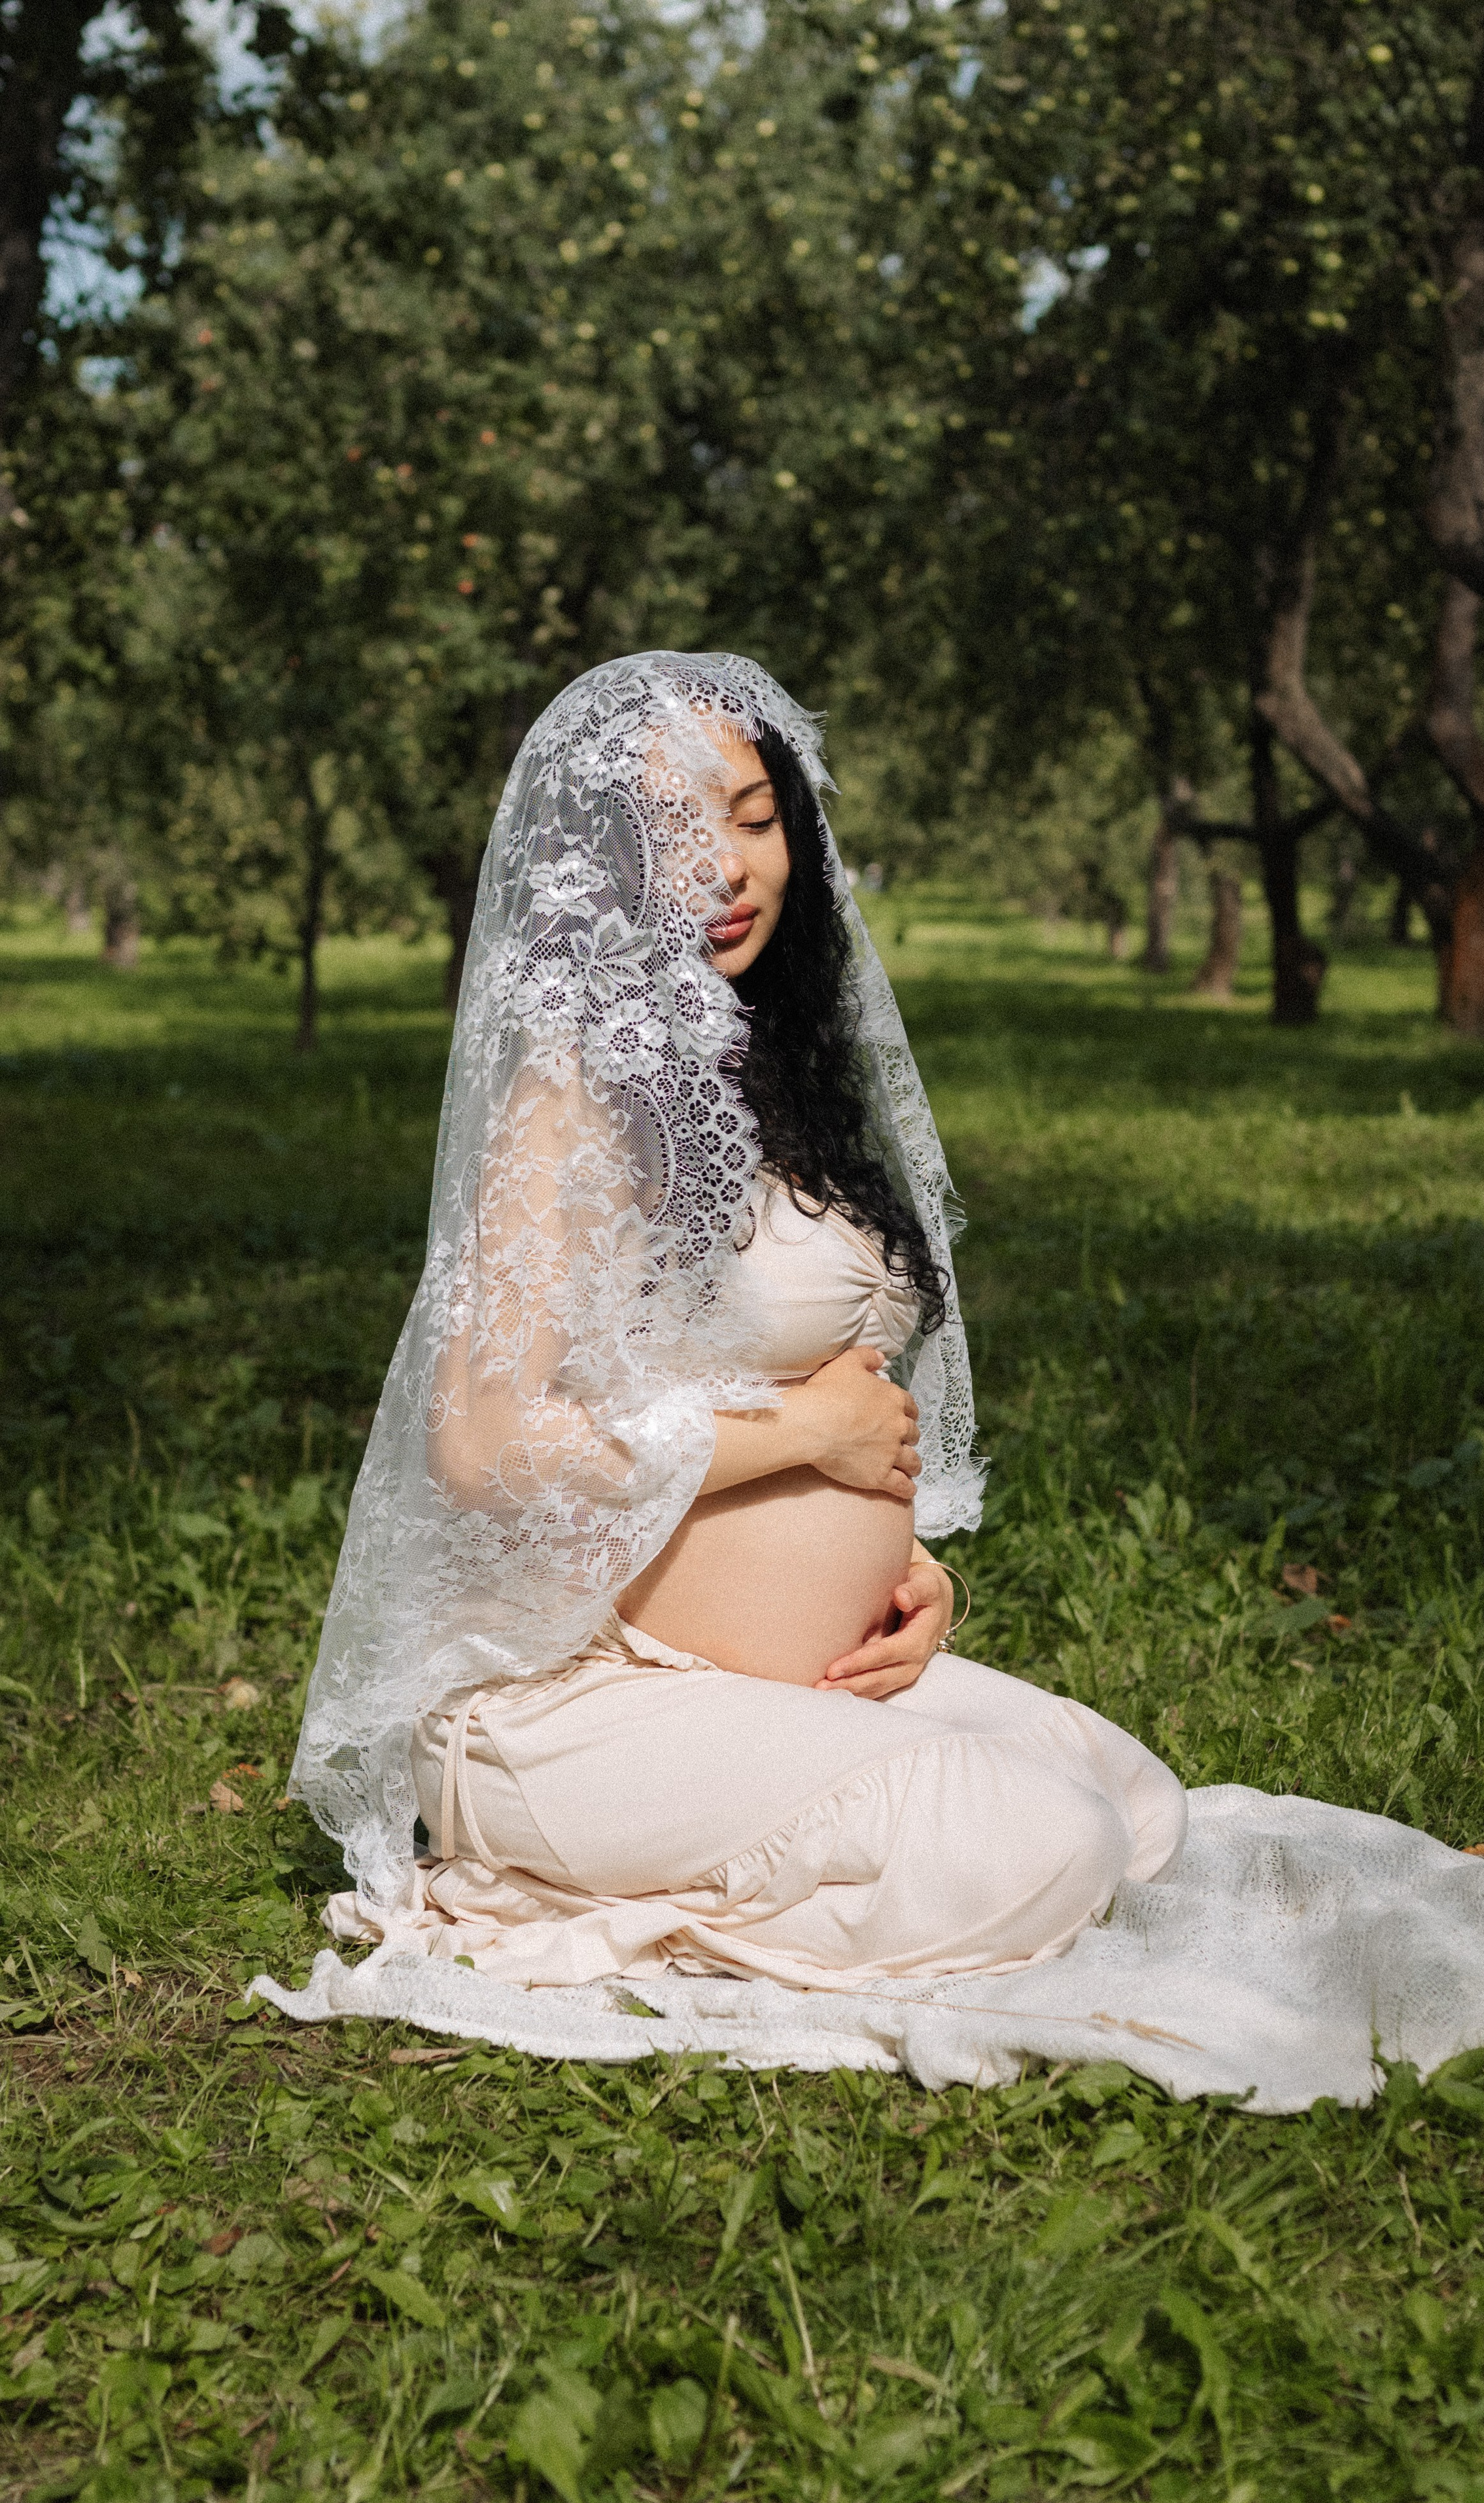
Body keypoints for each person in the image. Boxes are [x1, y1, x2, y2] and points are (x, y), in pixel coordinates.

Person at [287, 652, 1185, 1991]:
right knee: (1047, 1845)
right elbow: (481, 1445)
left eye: (754, 819)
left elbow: (760, 1382)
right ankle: (570, 1904)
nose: (724, 867)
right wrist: (810, 1434)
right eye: (668, 833)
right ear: (596, 872)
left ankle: (722, 1865)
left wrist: (905, 1578)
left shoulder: (774, 1076)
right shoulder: (571, 1101)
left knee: (1133, 1805)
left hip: (748, 1678)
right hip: (562, 1695)